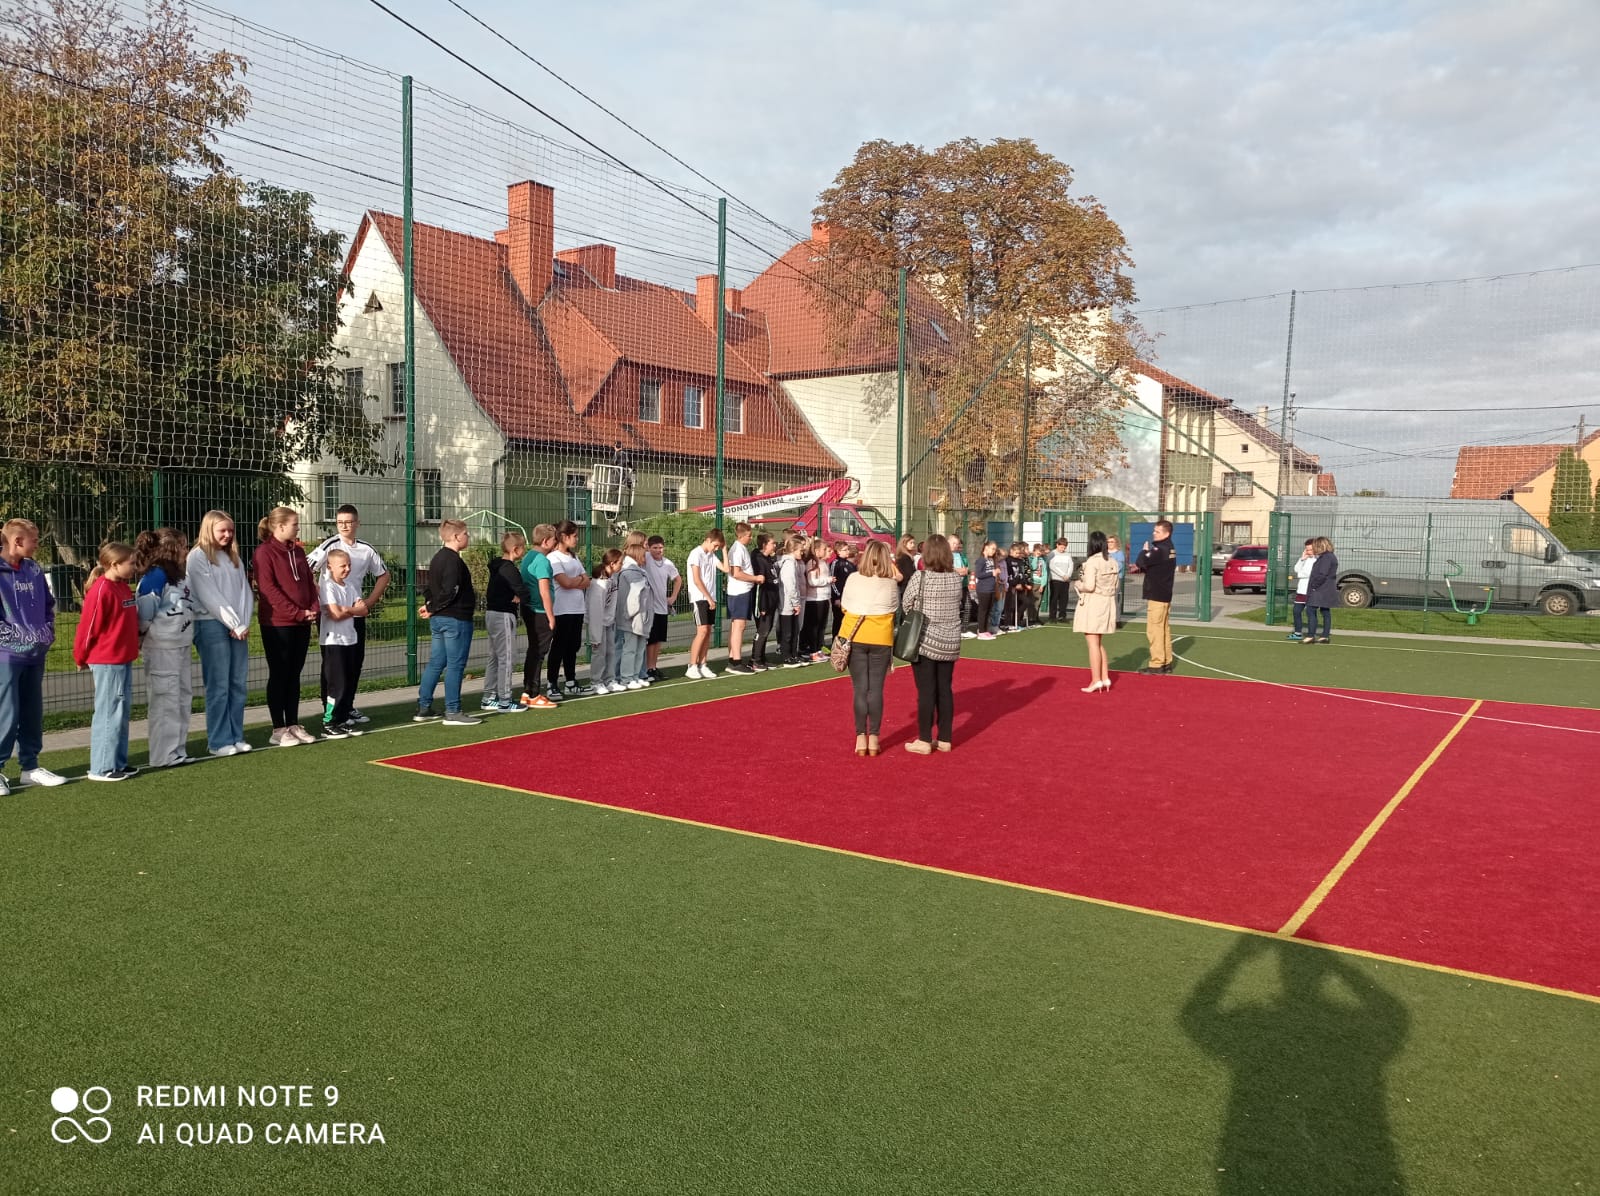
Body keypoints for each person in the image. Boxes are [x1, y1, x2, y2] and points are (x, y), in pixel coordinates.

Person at [305, 504, 389, 724]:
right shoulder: (330, 545)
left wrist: (369, 602)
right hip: (333, 614)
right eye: (340, 522)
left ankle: (347, 707)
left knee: (354, 662)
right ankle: (330, 711)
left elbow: (383, 575)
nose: (344, 526)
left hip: (356, 612)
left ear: (357, 523)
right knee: (333, 666)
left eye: (348, 522)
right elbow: (306, 568)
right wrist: (321, 594)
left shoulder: (366, 549)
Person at [0, 517, 65, 793]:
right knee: (6, 713)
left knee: (32, 712)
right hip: (5, 656)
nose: (37, 545)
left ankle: (30, 767)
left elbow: (48, 605)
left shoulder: (34, 569)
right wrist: (14, 638)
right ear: (17, 541)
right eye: (34, 540)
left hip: (35, 654)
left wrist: (46, 631)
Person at [186, 510, 254, 757]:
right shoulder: (198, 557)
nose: (227, 535)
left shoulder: (232, 557)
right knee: (218, 685)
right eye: (222, 530)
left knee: (237, 683)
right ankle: (218, 740)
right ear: (209, 530)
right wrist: (234, 623)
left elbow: (245, 591)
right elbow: (208, 594)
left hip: (237, 629)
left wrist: (242, 622)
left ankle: (236, 735)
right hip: (210, 624)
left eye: (230, 530)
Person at [72, 542, 140, 781]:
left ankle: (117, 762)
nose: (135, 567)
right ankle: (101, 767)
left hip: (123, 658)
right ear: (114, 564)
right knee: (109, 712)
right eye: (131, 563)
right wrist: (80, 656)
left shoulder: (122, 587)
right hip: (108, 660)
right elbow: (87, 628)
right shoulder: (102, 590)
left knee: (121, 711)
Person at [255, 507, 319, 747]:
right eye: (294, 524)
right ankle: (278, 728)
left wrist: (313, 607)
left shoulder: (299, 552)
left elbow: (310, 583)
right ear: (280, 526)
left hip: (302, 622)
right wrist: (297, 612)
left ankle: (293, 723)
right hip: (277, 623)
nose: (298, 528)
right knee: (280, 673)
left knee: (294, 673)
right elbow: (268, 590)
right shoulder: (264, 553)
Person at [134, 528, 196, 767]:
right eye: (183, 547)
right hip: (162, 646)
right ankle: (163, 754)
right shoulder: (155, 576)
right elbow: (145, 613)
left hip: (181, 643)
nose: (186, 551)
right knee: (165, 699)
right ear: (171, 549)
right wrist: (142, 635)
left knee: (182, 697)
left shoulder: (179, 576)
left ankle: (177, 749)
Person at [902, 533, 964, 756]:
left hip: (925, 640)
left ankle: (925, 738)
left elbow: (906, 604)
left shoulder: (920, 577)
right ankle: (945, 738)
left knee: (926, 691)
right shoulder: (955, 578)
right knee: (945, 689)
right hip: (950, 640)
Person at [415, 519, 482, 725]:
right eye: (466, 534)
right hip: (455, 619)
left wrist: (430, 606)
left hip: (440, 619)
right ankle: (453, 710)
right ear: (456, 536)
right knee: (455, 665)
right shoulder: (453, 561)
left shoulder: (437, 558)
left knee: (437, 662)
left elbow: (430, 587)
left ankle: (424, 707)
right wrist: (432, 607)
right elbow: (450, 590)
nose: (468, 537)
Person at [838, 540, 899, 757]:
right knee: (876, 689)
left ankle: (860, 737)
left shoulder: (853, 578)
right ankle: (874, 736)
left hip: (855, 637)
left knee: (860, 689)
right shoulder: (890, 583)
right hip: (881, 638)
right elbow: (894, 608)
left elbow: (845, 606)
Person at [317, 548, 366, 737]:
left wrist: (347, 609)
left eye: (349, 565)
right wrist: (351, 610)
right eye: (343, 566)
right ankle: (329, 721)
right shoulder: (328, 586)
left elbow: (363, 610)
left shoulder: (350, 587)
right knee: (336, 684)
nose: (347, 569)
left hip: (350, 640)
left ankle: (342, 718)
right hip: (333, 641)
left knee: (347, 682)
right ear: (330, 567)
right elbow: (335, 614)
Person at [484, 532, 532, 712]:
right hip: (503, 614)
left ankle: (489, 697)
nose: (524, 550)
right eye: (523, 547)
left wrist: (518, 595)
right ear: (515, 549)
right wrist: (522, 597)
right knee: (507, 657)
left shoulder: (497, 566)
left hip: (492, 613)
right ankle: (505, 700)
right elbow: (522, 589)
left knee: (495, 656)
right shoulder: (509, 568)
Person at [546, 520, 591, 697]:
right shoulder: (553, 558)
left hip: (577, 608)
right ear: (563, 536)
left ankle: (571, 682)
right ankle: (551, 683)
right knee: (559, 646)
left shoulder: (573, 557)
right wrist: (578, 581)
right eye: (574, 536)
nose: (577, 539)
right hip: (561, 609)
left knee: (573, 646)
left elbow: (586, 579)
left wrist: (576, 581)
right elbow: (564, 582)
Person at [1073, 530, 1121, 693]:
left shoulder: (1092, 562)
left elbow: (1089, 586)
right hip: (1107, 602)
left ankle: (1096, 679)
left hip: (1094, 603)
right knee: (1099, 643)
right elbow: (1116, 586)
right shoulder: (1113, 561)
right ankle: (1104, 677)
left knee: (1092, 643)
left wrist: (1078, 584)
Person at [517, 525, 558, 707]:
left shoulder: (528, 556)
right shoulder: (542, 561)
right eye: (554, 540)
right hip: (539, 611)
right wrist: (551, 616)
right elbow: (544, 591)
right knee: (538, 652)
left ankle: (528, 692)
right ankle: (533, 694)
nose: (555, 543)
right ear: (545, 541)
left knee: (534, 651)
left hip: (529, 609)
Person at [1130, 518, 1177, 675]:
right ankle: (1166, 661)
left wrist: (1144, 551)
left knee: (1154, 630)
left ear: (1166, 533)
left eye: (1157, 531)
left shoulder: (1160, 550)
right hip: (1165, 594)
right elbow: (1153, 566)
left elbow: (1141, 561)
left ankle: (1157, 663)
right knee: (1163, 629)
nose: (1154, 533)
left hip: (1157, 594)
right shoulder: (1170, 548)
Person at [612, 532, 652, 690]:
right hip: (632, 618)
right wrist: (630, 614)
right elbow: (632, 597)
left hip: (642, 617)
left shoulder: (638, 571)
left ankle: (635, 676)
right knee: (629, 648)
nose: (645, 557)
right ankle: (626, 678)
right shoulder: (629, 572)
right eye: (643, 555)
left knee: (639, 648)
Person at [685, 527, 726, 679]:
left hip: (710, 597)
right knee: (702, 631)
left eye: (718, 546)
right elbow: (696, 579)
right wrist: (708, 598)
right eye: (715, 545)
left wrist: (724, 550)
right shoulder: (696, 554)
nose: (716, 549)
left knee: (708, 631)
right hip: (699, 597)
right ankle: (692, 665)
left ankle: (703, 664)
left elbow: (726, 569)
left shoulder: (712, 556)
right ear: (708, 540)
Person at [723, 522, 762, 674]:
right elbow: (736, 573)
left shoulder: (740, 548)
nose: (750, 538)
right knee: (739, 626)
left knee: (736, 626)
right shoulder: (737, 549)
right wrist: (755, 578)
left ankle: (733, 658)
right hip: (739, 592)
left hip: (741, 591)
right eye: (749, 535)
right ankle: (736, 662)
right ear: (742, 535)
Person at [643, 535, 682, 683]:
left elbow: (678, 579)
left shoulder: (667, 563)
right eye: (655, 548)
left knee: (658, 639)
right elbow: (634, 550)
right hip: (650, 607)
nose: (659, 550)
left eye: (660, 547)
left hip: (662, 607)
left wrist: (673, 597)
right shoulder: (646, 558)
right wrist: (644, 544)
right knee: (651, 640)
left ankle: (653, 666)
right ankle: (647, 668)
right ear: (649, 548)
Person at [585, 548, 623, 693]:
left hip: (608, 621)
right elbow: (595, 610)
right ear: (612, 564)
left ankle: (610, 680)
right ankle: (596, 682)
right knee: (599, 653)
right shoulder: (599, 584)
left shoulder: (612, 578)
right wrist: (595, 635)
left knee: (610, 652)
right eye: (620, 563)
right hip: (598, 623)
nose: (622, 565)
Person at [749, 532, 780, 672]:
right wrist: (762, 605)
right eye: (772, 543)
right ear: (764, 545)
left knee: (766, 630)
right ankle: (754, 660)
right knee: (762, 630)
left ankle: (761, 658)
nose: (774, 545)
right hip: (763, 601)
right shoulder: (758, 559)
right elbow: (760, 585)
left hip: (772, 600)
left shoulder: (768, 559)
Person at [778, 535, 807, 667]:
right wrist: (796, 603)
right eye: (800, 550)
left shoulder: (794, 563)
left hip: (792, 603)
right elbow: (790, 585)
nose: (802, 553)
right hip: (787, 604)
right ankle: (787, 657)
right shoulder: (789, 564)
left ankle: (794, 654)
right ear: (793, 550)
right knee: (788, 632)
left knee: (795, 630)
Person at [1305, 537, 1339, 644]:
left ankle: (1311, 635)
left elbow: (1322, 574)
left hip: (1321, 589)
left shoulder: (1326, 557)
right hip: (1327, 588)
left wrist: (1314, 586)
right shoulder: (1331, 556)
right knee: (1325, 611)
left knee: (1310, 610)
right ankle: (1325, 635)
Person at [804, 542, 833, 661]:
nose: (826, 551)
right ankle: (813, 651)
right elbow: (812, 581)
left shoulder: (823, 562)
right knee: (814, 626)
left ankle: (819, 649)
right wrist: (828, 580)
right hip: (814, 599)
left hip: (824, 598)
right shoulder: (812, 563)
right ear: (816, 551)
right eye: (824, 549)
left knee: (822, 625)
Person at [1287, 540, 1316, 641]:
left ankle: (1311, 634)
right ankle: (1297, 633)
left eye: (1310, 549)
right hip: (1301, 591)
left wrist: (1298, 575)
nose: (1308, 552)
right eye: (1307, 550)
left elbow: (1309, 573)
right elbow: (1296, 569)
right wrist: (1302, 559)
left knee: (1310, 613)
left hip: (1311, 591)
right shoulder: (1305, 559)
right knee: (1296, 611)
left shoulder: (1317, 560)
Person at [972, 541, 1001, 640]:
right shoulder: (981, 560)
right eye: (992, 549)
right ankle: (981, 631)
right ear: (986, 547)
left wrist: (996, 573)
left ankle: (985, 630)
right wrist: (992, 573)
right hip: (983, 589)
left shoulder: (990, 559)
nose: (994, 551)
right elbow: (978, 574)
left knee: (988, 610)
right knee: (983, 610)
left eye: (995, 549)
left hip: (991, 588)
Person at [829, 542, 857, 638]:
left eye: (848, 549)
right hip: (839, 598)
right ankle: (835, 641)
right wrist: (837, 597)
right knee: (838, 621)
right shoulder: (835, 564)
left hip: (850, 598)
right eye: (845, 550)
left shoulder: (850, 565)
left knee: (848, 621)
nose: (847, 552)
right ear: (838, 552)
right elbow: (833, 582)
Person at [1047, 539, 1075, 623]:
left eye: (1064, 547)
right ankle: (1052, 616)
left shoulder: (1068, 555)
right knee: (1054, 598)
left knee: (1064, 599)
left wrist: (1068, 575)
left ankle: (1062, 616)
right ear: (1057, 545)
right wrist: (1062, 575)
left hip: (1066, 580)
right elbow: (1052, 566)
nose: (1063, 549)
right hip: (1055, 579)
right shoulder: (1052, 554)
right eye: (1061, 547)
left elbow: (1071, 565)